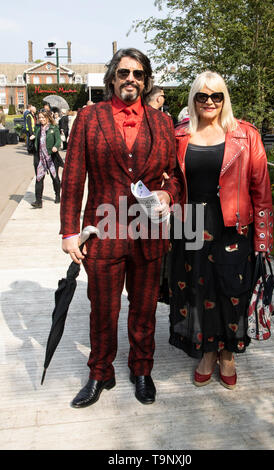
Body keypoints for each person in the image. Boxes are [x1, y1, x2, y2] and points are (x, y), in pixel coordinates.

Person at [60, 48, 181, 408]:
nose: (131, 79)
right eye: (125, 72)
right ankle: (100, 373)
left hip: (149, 235)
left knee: (144, 309)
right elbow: (72, 179)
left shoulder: (162, 122)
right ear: (112, 77)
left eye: (139, 74)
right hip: (102, 233)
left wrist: (167, 194)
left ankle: (142, 370)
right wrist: (69, 232)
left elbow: (174, 176)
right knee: (103, 309)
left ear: (146, 81)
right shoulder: (88, 117)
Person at [168, 71, 273, 390]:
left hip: (233, 225)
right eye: (203, 96)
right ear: (194, 100)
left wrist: (264, 238)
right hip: (191, 224)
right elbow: (172, 179)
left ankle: (228, 354)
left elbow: (261, 188)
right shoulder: (180, 135)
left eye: (217, 96)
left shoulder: (245, 134)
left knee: (233, 291)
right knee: (198, 291)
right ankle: (208, 352)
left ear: (225, 99)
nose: (210, 102)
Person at [30, 109, 61, 209]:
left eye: (43, 117)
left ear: (48, 117)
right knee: (39, 178)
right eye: (40, 118)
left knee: (55, 178)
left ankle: (57, 195)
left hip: (51, 157)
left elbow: (58, 140)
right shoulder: (38, 128)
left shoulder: (54, 127)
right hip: (39, 158)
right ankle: (38, 201)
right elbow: (36, 137)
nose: (41, 119)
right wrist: (33, 137)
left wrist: (56, 146)